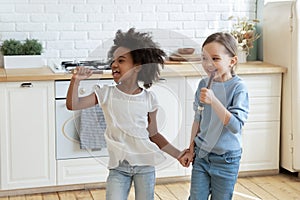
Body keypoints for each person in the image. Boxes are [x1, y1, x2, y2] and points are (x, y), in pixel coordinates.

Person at [66, 28, 185, 200]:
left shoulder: (149, 99)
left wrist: (179, 154)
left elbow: (154, 134)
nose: (114, 64)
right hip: (118, 168)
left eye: (121, 60)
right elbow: (73, 104)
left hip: (145, 165)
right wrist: (75, 81)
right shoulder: (106, 93)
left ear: (137, 66)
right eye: (113, 60)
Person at [179, 32, 249, 200]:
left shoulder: (238, 88)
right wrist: (190, 149)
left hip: (226, 159)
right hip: (202, 155)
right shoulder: (203, 84)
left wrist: (214, 101)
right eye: (204, 58)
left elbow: (235, 126)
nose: (208, 64)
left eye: (215, 59)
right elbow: (198, 119)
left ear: (232, 61)